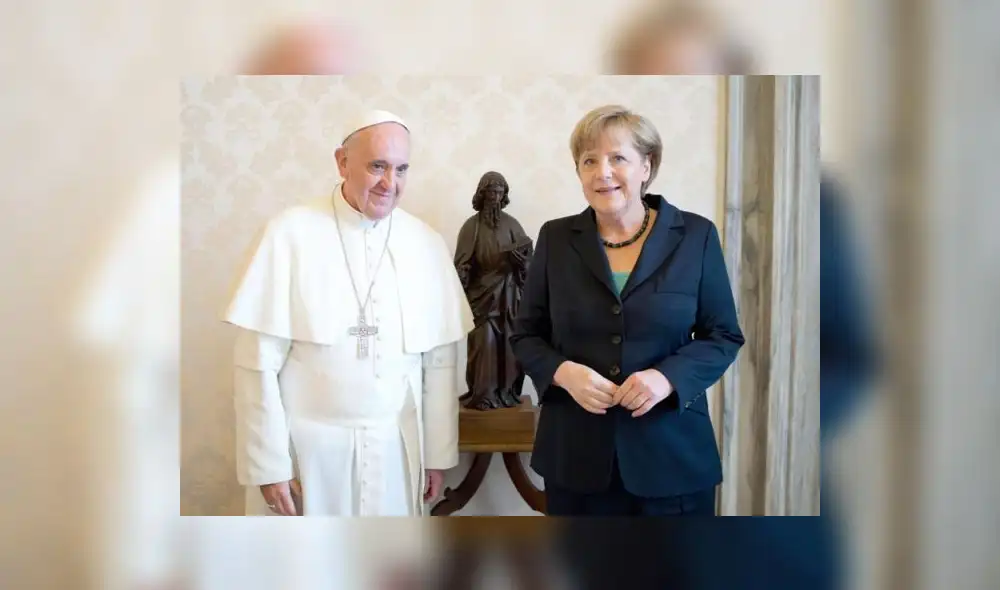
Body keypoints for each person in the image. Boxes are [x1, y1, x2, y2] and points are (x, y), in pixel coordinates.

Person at [222, 109, 474, 516]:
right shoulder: (289, 233)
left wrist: (437, 456)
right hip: (306, 450)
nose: (390, 183)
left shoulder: (425, 244)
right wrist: (267, 465)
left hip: (397, 449)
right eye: (377, 166)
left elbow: (441, 362)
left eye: (402, 169)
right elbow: (255, 362)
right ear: (342, 162)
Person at [510, 104, 745, 516]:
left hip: (671, 459)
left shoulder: (695, 235)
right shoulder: (555, 237)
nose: (603, 172)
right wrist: (564, 373)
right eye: (589, 161)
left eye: (618, 158)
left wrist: (666, 378)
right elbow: (526, 334)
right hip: (575, 459)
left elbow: (723, 336)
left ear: (646, 166)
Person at [453, 171, 534, 410]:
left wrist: (522, 263)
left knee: (510, 348)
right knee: (484, 344)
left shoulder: (512, 225)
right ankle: (483, 395)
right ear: (482, 193)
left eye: (499, 192)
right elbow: (461, 263)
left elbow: (530, 263)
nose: (495, 197)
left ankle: (507, 393)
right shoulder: (471, 227)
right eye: (490, 192)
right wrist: (463, 273)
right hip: (481, 297)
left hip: (509, 297)